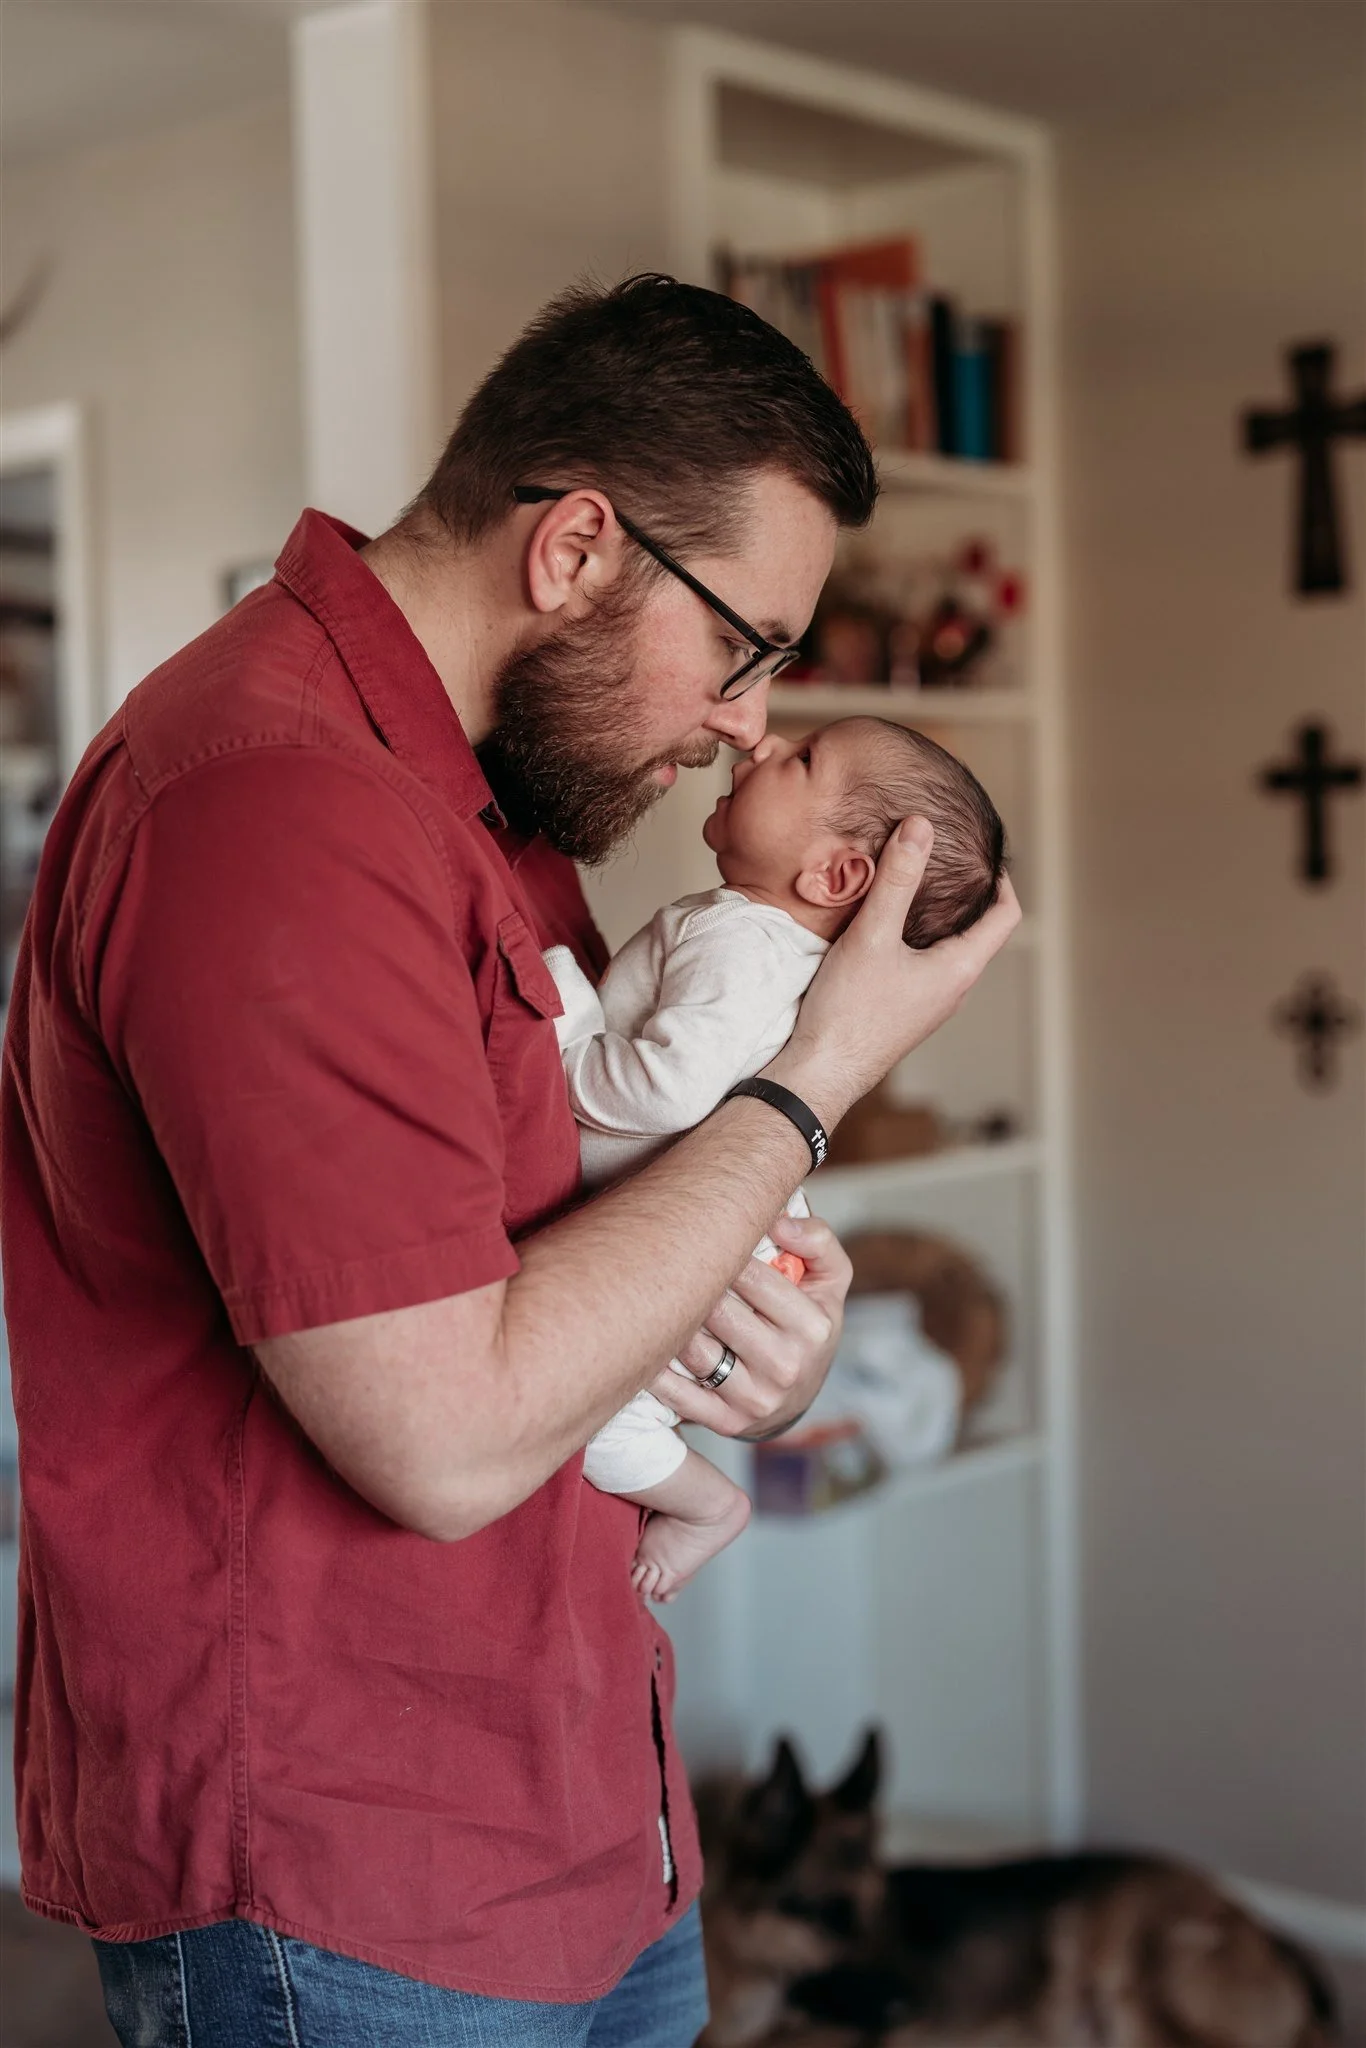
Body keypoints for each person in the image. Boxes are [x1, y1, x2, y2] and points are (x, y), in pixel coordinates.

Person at [0, 276, 1019, 2047]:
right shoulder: (266, 803)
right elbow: (447, 1434)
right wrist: (814, 1081)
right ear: (574, 550)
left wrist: (740, 1334)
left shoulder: (495, 803)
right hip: (350, 1882)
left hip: (586, 1808)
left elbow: (573, 1218)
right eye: (744, 649)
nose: (739, 722)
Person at [551, 718, 1006, 1603]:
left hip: (698, 1269)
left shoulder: (748, 947)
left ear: (835, 875)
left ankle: (707, 1505)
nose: (758, 742)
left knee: (608, 1432)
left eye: (802, 760)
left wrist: (566, 1035)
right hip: (686, 1237)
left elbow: (666, 1093)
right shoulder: (757, 943)